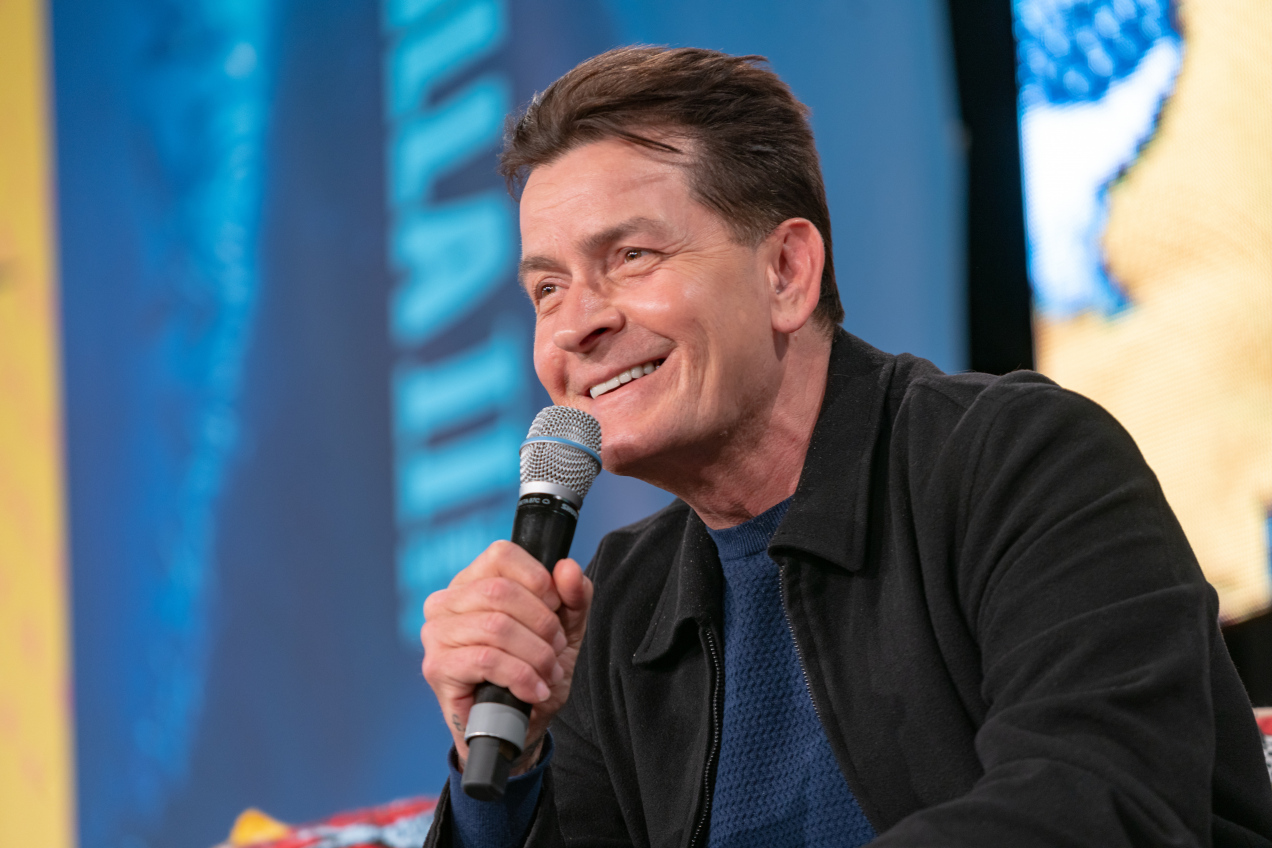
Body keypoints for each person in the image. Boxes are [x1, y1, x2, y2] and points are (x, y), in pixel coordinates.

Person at [419, 46, 1272, 848]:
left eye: (632, 255)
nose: (575, 324)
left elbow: (1095, 805)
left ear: (787, 272)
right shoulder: (618, 605)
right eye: (547, 288)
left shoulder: (1023, 464)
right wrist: (507, 774)